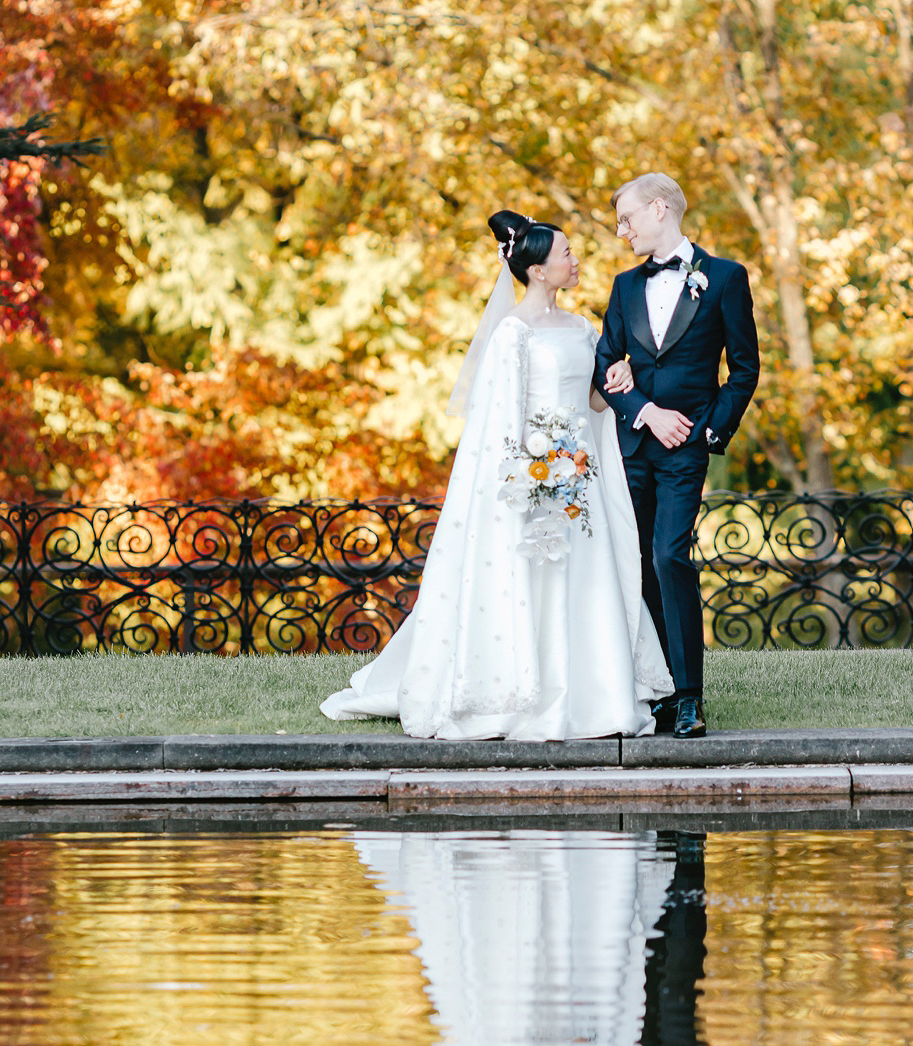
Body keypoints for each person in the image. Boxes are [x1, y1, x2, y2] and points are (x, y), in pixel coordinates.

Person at [319, 209, 672, 740]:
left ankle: (591, 694)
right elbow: (500, 419)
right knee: (533, 579)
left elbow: (593, 403)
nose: (575, 261)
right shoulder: (513, 333)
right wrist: (531, 479)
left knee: (582, 583)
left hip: (580, 478)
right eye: (566, 254)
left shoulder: (582, 328)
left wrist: (620, 378)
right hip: (532, 479)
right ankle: (523, 693)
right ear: (537, 270)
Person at [593, 173, 760, 740]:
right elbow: (606, 363)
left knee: (670, 558)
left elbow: (744, 368)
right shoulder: (621, 287)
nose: (622, 231)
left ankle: (690, 697)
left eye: (627, 218)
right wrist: (643, 410)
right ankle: (658, 690)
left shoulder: (724, 278)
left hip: (687, 447)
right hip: (633, 444)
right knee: (635, 564)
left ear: (659, 209)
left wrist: (711, 431)